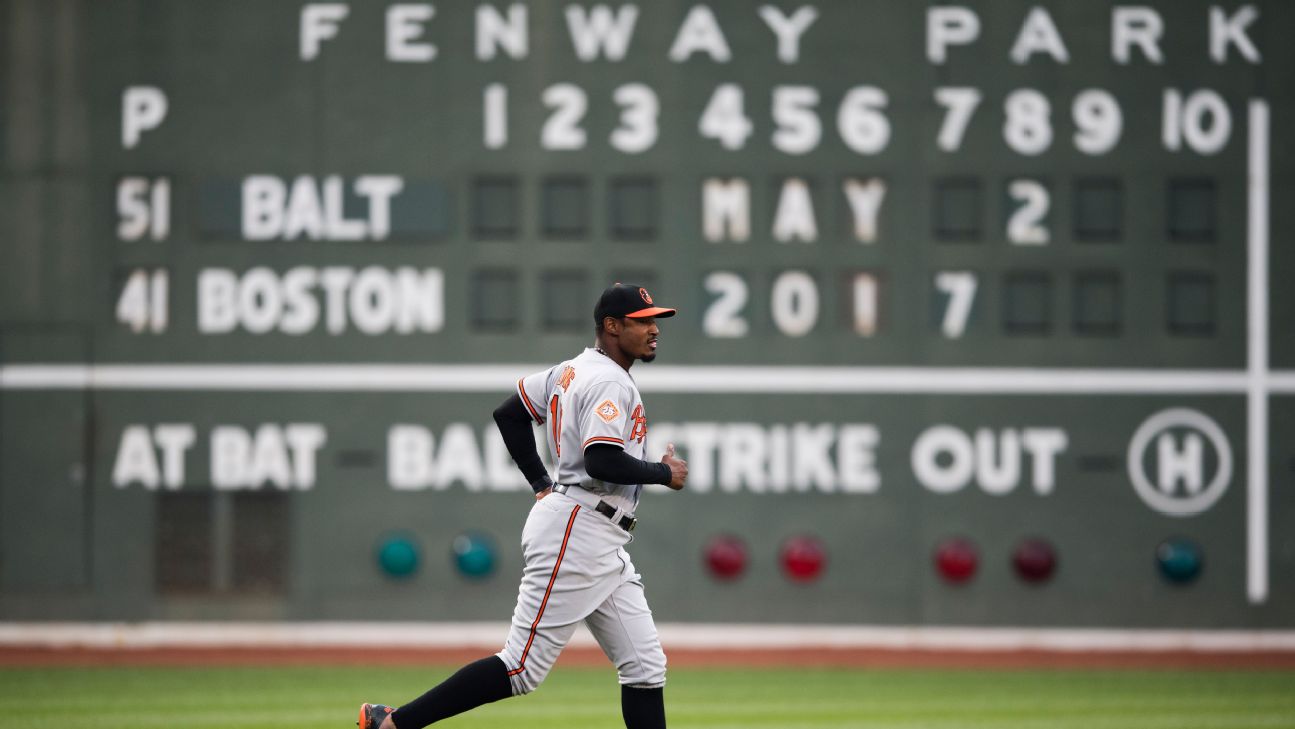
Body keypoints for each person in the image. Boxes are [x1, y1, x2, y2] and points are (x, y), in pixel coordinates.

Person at [359, 282, 689, 729]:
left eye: (655, 321)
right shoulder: (609, 379)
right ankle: (393, 724)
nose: (654, 330)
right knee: (520, 668)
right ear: (612, 326)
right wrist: (662, 473)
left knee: (645, 667)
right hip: (579, 529)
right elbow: (601, 459)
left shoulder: (569, 371)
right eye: (643, 321)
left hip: (596, 533)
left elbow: (509, 413)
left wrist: (540, 482)